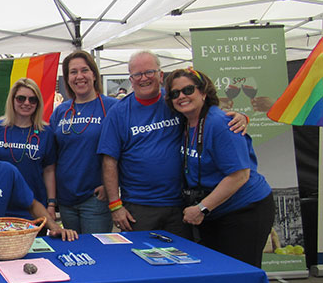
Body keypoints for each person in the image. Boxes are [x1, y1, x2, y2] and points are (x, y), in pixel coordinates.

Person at [98, 51, 247, 235]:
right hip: (140, 206)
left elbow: (205, 111)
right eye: (137, 74)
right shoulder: (118, 112)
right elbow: (109, 161)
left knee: (184, 259)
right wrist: (115, 206)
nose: (143, 78)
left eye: (149, 72)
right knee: (142, 259)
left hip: (181, 204)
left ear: (161, 75)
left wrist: (239, 117)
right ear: (131, 79)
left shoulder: (175, 100)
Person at [164, 68, 274, 267]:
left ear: (204, 92)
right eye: (174, 93)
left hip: (244, 209)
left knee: (239, 274)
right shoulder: (185, 122)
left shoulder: (221, 124)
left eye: (188, 90)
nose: (181, 96)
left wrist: (202, 208)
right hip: (214, 211)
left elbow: (239, 175)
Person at [50, 50, 119, 233]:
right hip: (65, 199)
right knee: (74, 251)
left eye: (84, 70)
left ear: (94, 74)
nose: (79, 76)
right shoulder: (60, 111)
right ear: (67, 78)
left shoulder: (112, 107)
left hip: (95, 198)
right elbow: (53, 154)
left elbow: (125, 151)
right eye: (73, 72)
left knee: (96, 253)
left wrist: (111, 186)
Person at [0, 78, 56, 220]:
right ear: (12, 100)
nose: (26, 103)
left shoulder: (46, 133)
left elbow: (49, 170)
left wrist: (51, 204)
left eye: (32, 100)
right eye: (21, 98)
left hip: (35, 208)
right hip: (1, 206)